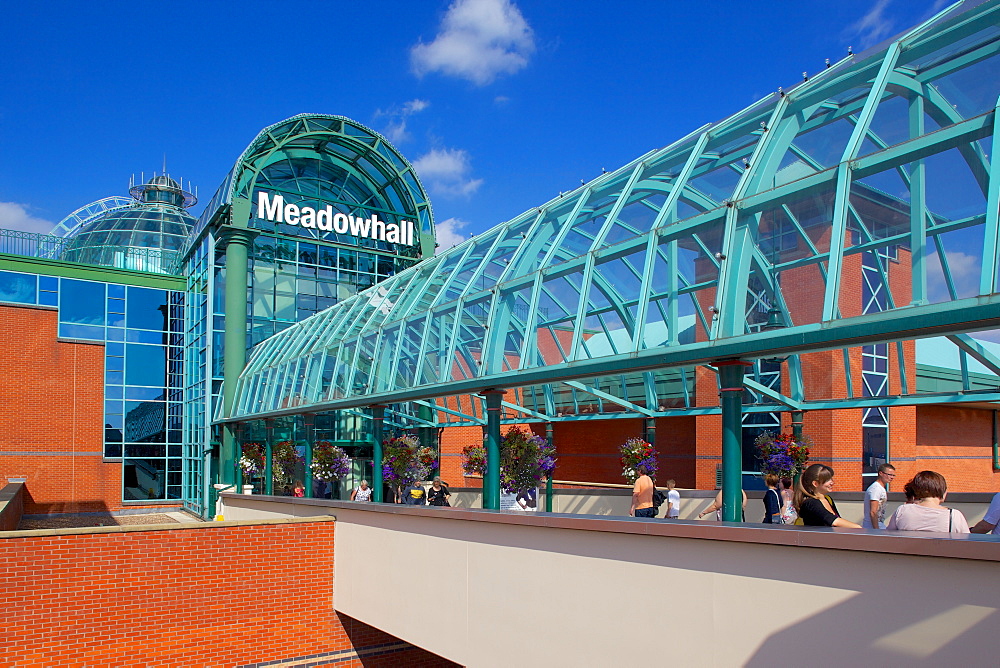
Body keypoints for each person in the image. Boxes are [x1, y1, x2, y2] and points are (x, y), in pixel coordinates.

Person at [886, 471, 969, 533]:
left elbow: (889, 537)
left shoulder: (902, 510)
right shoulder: (954, 516)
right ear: (943, 492)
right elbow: (967, 544)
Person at [794, 464, 860, 528]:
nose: (832, 483)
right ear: (815, 483)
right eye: (827, 480)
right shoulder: (811, 503)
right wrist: (859, 528)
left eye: (831, 479)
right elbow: (833, 521)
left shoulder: (828, 499)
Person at [862, 463, 895, 529]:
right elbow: (873, 512)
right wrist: (876, 530)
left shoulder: (880, 488)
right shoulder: (876, 488)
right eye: (889, 474)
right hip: (871, 527)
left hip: (879, 525)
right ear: (881, 473)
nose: (892, 477)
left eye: (893, 475)